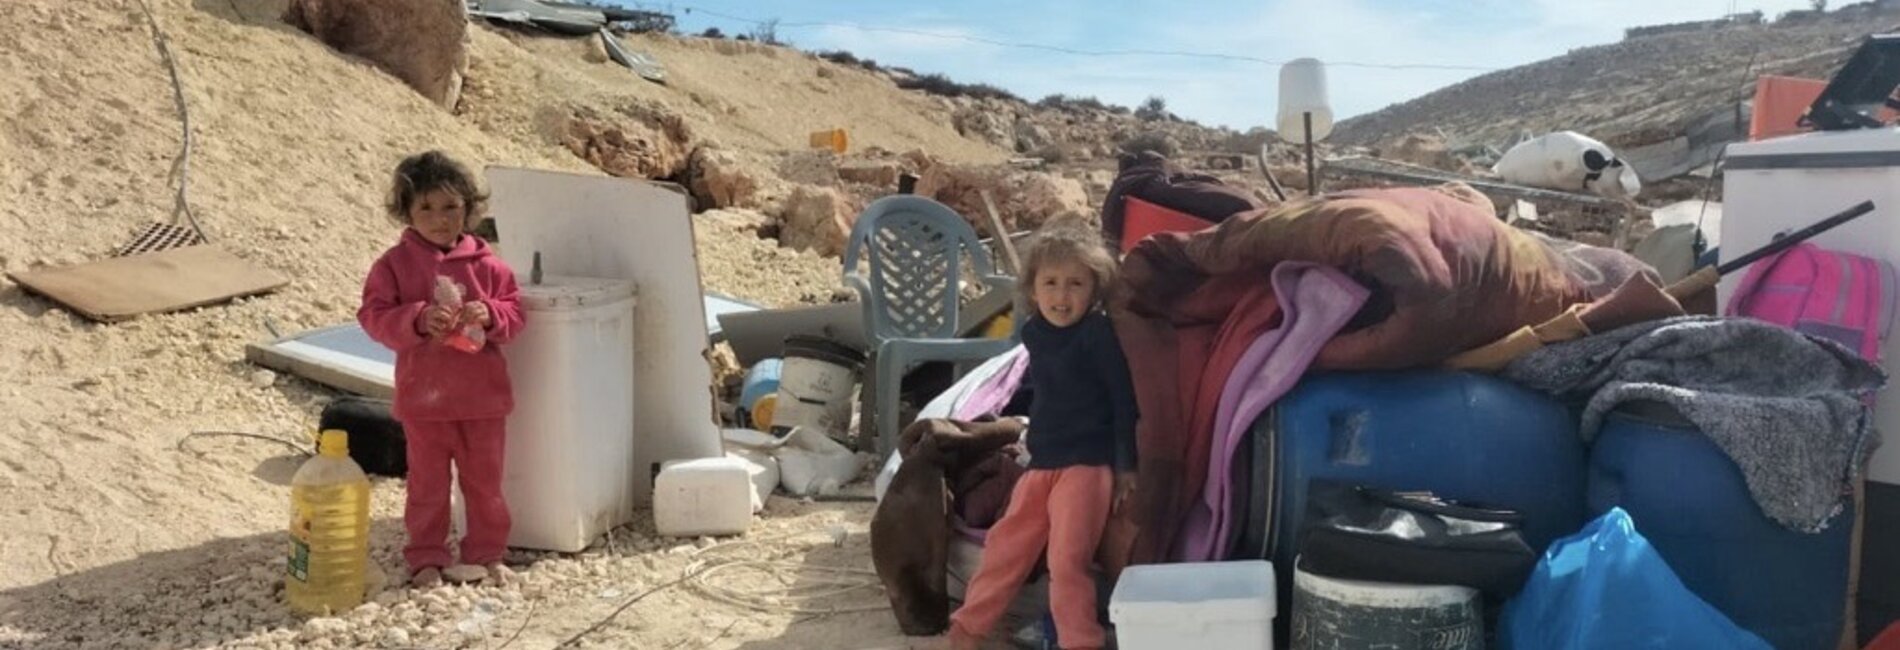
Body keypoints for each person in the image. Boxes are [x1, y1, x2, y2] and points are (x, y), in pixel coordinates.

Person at [949, 221, 1138, 650]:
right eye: (1050, 283)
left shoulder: (1097, 334)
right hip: (1043, 463)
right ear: (1032, 290)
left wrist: (1126, 465)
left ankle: (1079, 642)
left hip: (1087, 466)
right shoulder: (1034, 334)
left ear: (1095, 289)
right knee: (1005, 547)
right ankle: (966, 631)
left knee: (1067, 561)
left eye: (1076, 283)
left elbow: (1124, 400)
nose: (1062, 295)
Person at [357, 151, 525, 589]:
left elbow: (515, 316)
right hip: (424, 402)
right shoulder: (392, 266)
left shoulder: (491, 267)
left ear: (469, 209)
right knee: (427, 488)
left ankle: (487, 554)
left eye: (451, 207)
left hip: (483, 402)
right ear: (407, 212)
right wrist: (416, 319)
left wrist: (489, 315)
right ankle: (426, 557)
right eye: (426, 208)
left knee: (485, 485)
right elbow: (373, 316)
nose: (440, 219)